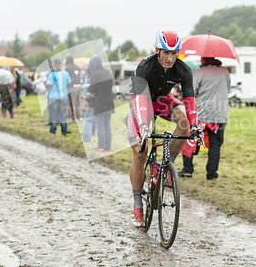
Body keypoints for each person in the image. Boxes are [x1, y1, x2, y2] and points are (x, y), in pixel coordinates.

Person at [127, 30, 201, 227]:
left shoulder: (183, 70)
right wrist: (143, 125)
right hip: (141, 102)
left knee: (184, 123)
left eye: (174, 53)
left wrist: (194, 126)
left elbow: (190, 100)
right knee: (140, 152)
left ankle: (167, 167)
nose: (170, 58)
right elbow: (141, 101)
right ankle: (137, 206)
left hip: (162, 100)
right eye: (166, 53)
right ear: (157, 50)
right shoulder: (145, 67)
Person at [178, 57, 230, 180]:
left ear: (203, 59)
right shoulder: (225, 72)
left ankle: (188, 168)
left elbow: (191, 91)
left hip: (201, 114)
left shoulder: (199, 73)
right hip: (220, 115)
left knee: (190, 140)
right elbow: (228, 89)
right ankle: (212, 174)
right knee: (215, 144)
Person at [86, 55, 114, 152]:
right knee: (107, 125)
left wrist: (88, 87)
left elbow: (92, 90)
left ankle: (101, 147)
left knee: (100, 126)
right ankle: (107, 147)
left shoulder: (94, 74)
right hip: (109, 102)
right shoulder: (108, 72)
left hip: (100, 103)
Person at [46, 59, 72, 136]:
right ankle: (64, 130)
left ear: (54, 65)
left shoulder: (52, 74)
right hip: (63, 96)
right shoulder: (66, 74)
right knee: (63, 114)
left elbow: (48, 85)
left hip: (53, 97)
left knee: (53, 114)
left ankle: (53, 130)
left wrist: (44, 82)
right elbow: (69, 84)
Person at [82, 58, 97, 142]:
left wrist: (88, 96)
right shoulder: (93, 73)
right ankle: (91, 132)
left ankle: (87, 137)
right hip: (93, 99)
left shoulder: (90, 74)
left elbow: (91, 86)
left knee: (88, 119)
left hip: (90, 98)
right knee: (92, 117)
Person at [65, 56, 82, 121]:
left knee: (72, 102)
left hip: (72, 86)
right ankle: (80, 116)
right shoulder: (77, 67)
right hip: (79, 86)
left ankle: (73, 117)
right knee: (79, 102)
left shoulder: (67, 68)